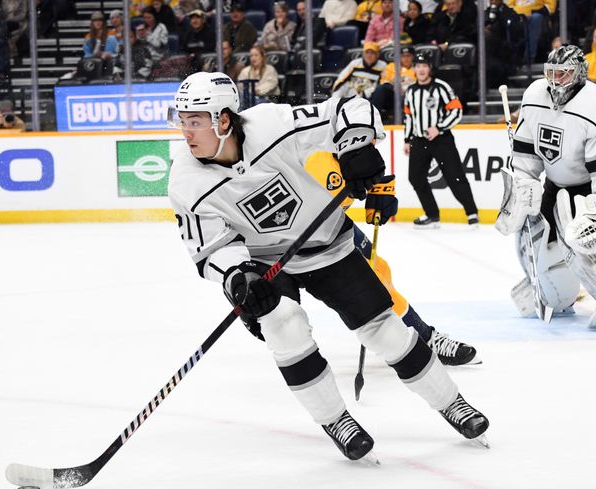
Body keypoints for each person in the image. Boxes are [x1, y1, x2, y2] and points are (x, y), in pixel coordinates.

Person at [166, 70, 490, 462]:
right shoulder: (185, 181)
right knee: (283, 323)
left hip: (327, 242)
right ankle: (336, 419)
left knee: (384, 329)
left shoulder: (272, 124)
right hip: (267, 263)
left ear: (224, 119)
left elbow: (350, 108)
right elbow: (211, 247)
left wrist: (356, 147)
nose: (186, 132)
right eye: (182, 120)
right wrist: (239, 277)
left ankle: (451, 402)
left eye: (194, 121)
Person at [496, 45, 596, 329]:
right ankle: (556, 294)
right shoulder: (534, 95)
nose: (556, 81)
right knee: (531, 241)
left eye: (563, 74)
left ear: (579, 73)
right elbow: (525, 150)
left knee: (585, 243)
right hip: (553, 185)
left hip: (586, 189)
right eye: (551, 73)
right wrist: (523, 186)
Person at [304, 150, 481, 366]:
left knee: (379, 273)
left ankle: (421, 337)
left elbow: (360, 159)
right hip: (291, 238)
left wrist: (377, 187)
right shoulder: (288, 150)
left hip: (332, 227)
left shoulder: (329, 140)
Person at [403, 52, 478, 227]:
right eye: (418, 66)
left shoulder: (441, 87)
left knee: (455, 176)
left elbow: (456, 110)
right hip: (419, 140)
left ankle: (471, 212)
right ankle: (432, 215)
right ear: (414, 69)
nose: (421, 69)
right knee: (415, 178)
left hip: (441, 139)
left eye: (424, 66)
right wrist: (407, 140)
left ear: (430, 68)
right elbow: (408, 117)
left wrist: (439, 128)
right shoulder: (411, 91)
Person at [369, 45, 416, 118]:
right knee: (379, 89)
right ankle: (374, 117)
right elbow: (383, 82)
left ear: (413, 57)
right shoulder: (391, 66)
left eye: (408, 56)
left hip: (409, 96)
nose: (406, 59)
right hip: (392, 96)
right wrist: (394, 87)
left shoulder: (417, 67)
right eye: (403, 56)